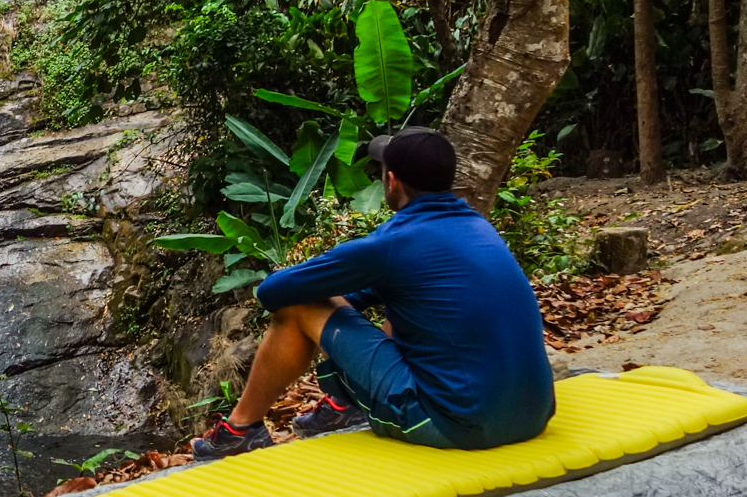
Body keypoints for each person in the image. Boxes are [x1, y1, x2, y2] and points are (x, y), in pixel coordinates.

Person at [192, 126, 555, 460]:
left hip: (461, 425)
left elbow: (272, 294)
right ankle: (343, 406)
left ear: (392, 181)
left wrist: (307, 281)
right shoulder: (478, 227)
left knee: (299, 306)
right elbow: (382, 288)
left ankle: (240, 429)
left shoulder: (391, 244)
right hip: (533, 414)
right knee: (407, 302)